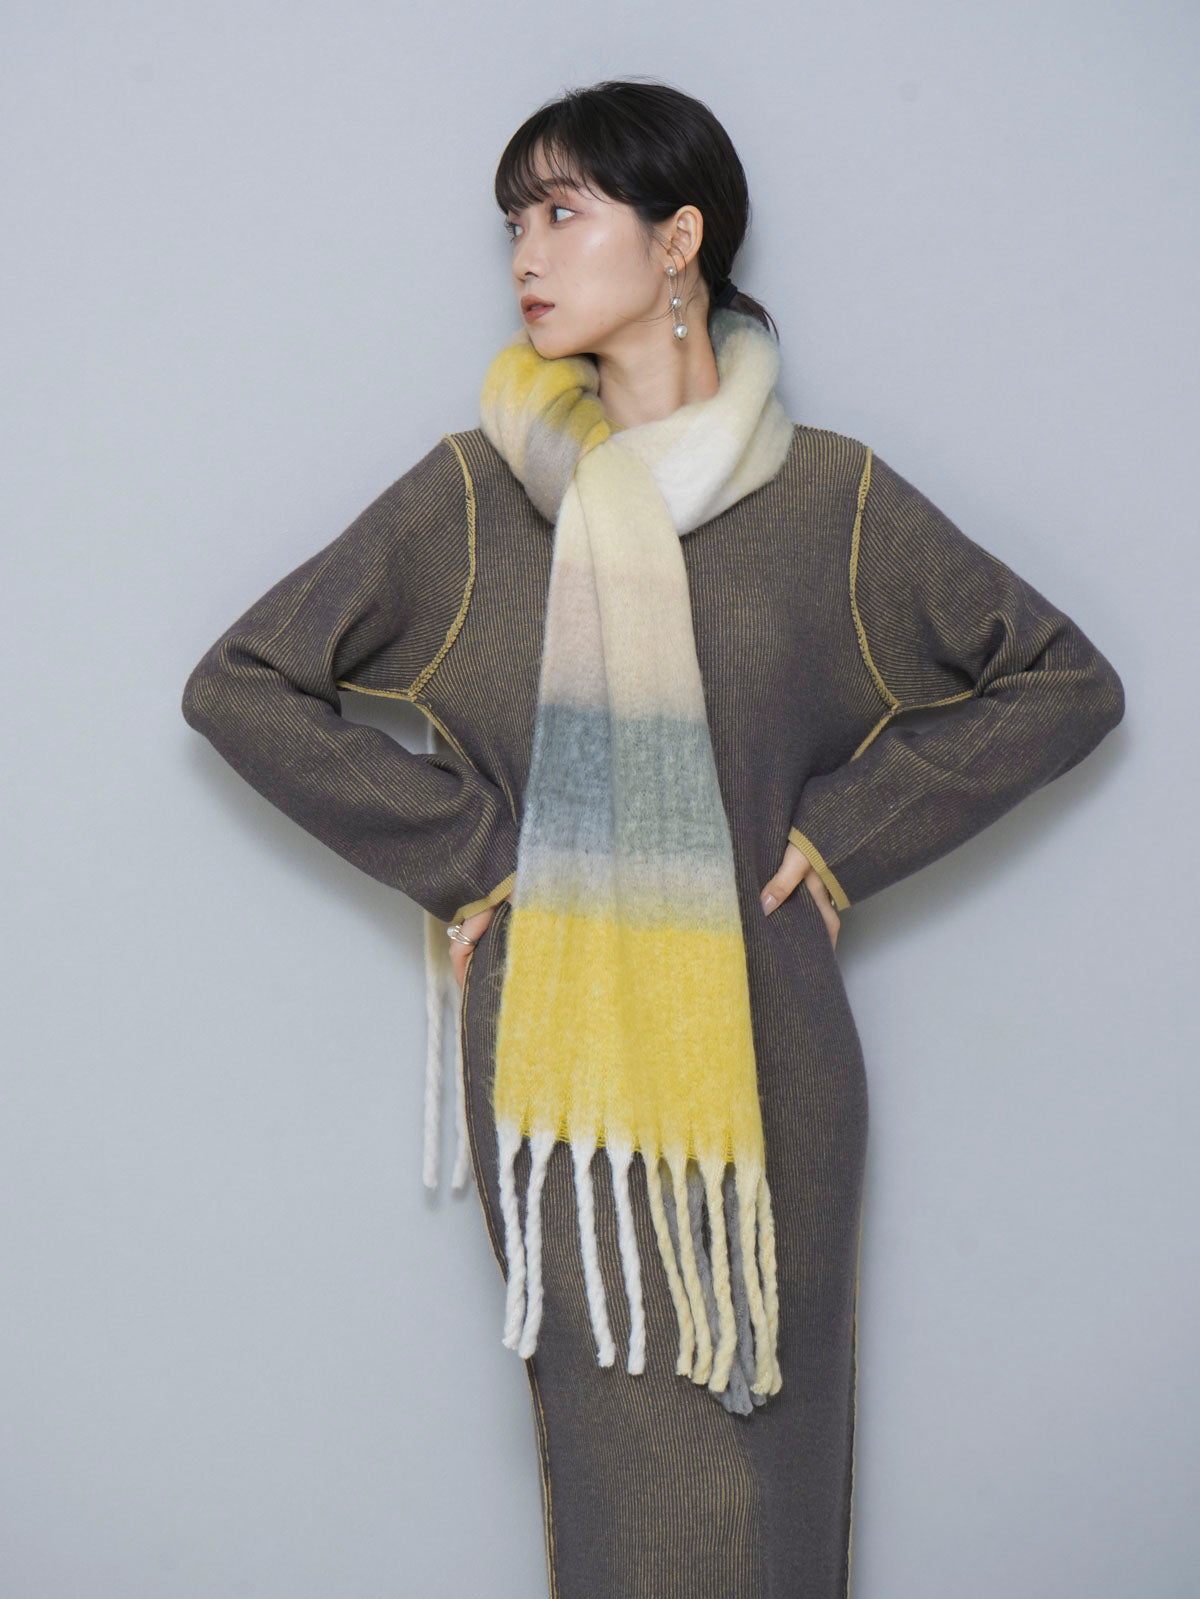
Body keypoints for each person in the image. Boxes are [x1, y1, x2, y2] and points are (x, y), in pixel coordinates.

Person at [181, 77, 1125, 1599]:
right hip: (563, 1079)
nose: (525, 254)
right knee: (633, 1501)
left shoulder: (828, 506)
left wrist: (844, 834)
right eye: (514, 222)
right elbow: (241, 685)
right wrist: (477, 855)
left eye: (563, 212)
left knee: (774, 1493)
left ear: (680, 239)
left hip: (772, 1065)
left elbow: (1063, 682)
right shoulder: (477, 501)